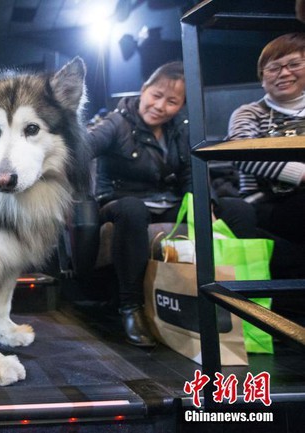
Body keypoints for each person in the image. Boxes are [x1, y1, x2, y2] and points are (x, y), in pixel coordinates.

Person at [86, 61, 257, 347]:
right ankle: (131, 307)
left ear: (181, 105)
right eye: (156, 95)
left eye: (172, 101)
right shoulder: (116, 122)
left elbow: (192, 172)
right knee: (132, 209)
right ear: (143, 90)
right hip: (119, 202)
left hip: (169, 203)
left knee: (239, 210)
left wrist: (207, 206)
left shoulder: (182, 127)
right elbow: (85, 147)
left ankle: (237, 299)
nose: (160, 106)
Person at [227, 32, 305, 277]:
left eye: (294, 64)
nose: (284, 73)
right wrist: (301, 173)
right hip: (265, 202)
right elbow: (241, 152)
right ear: (262, 78)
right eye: (273, 68)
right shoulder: (249, 113)